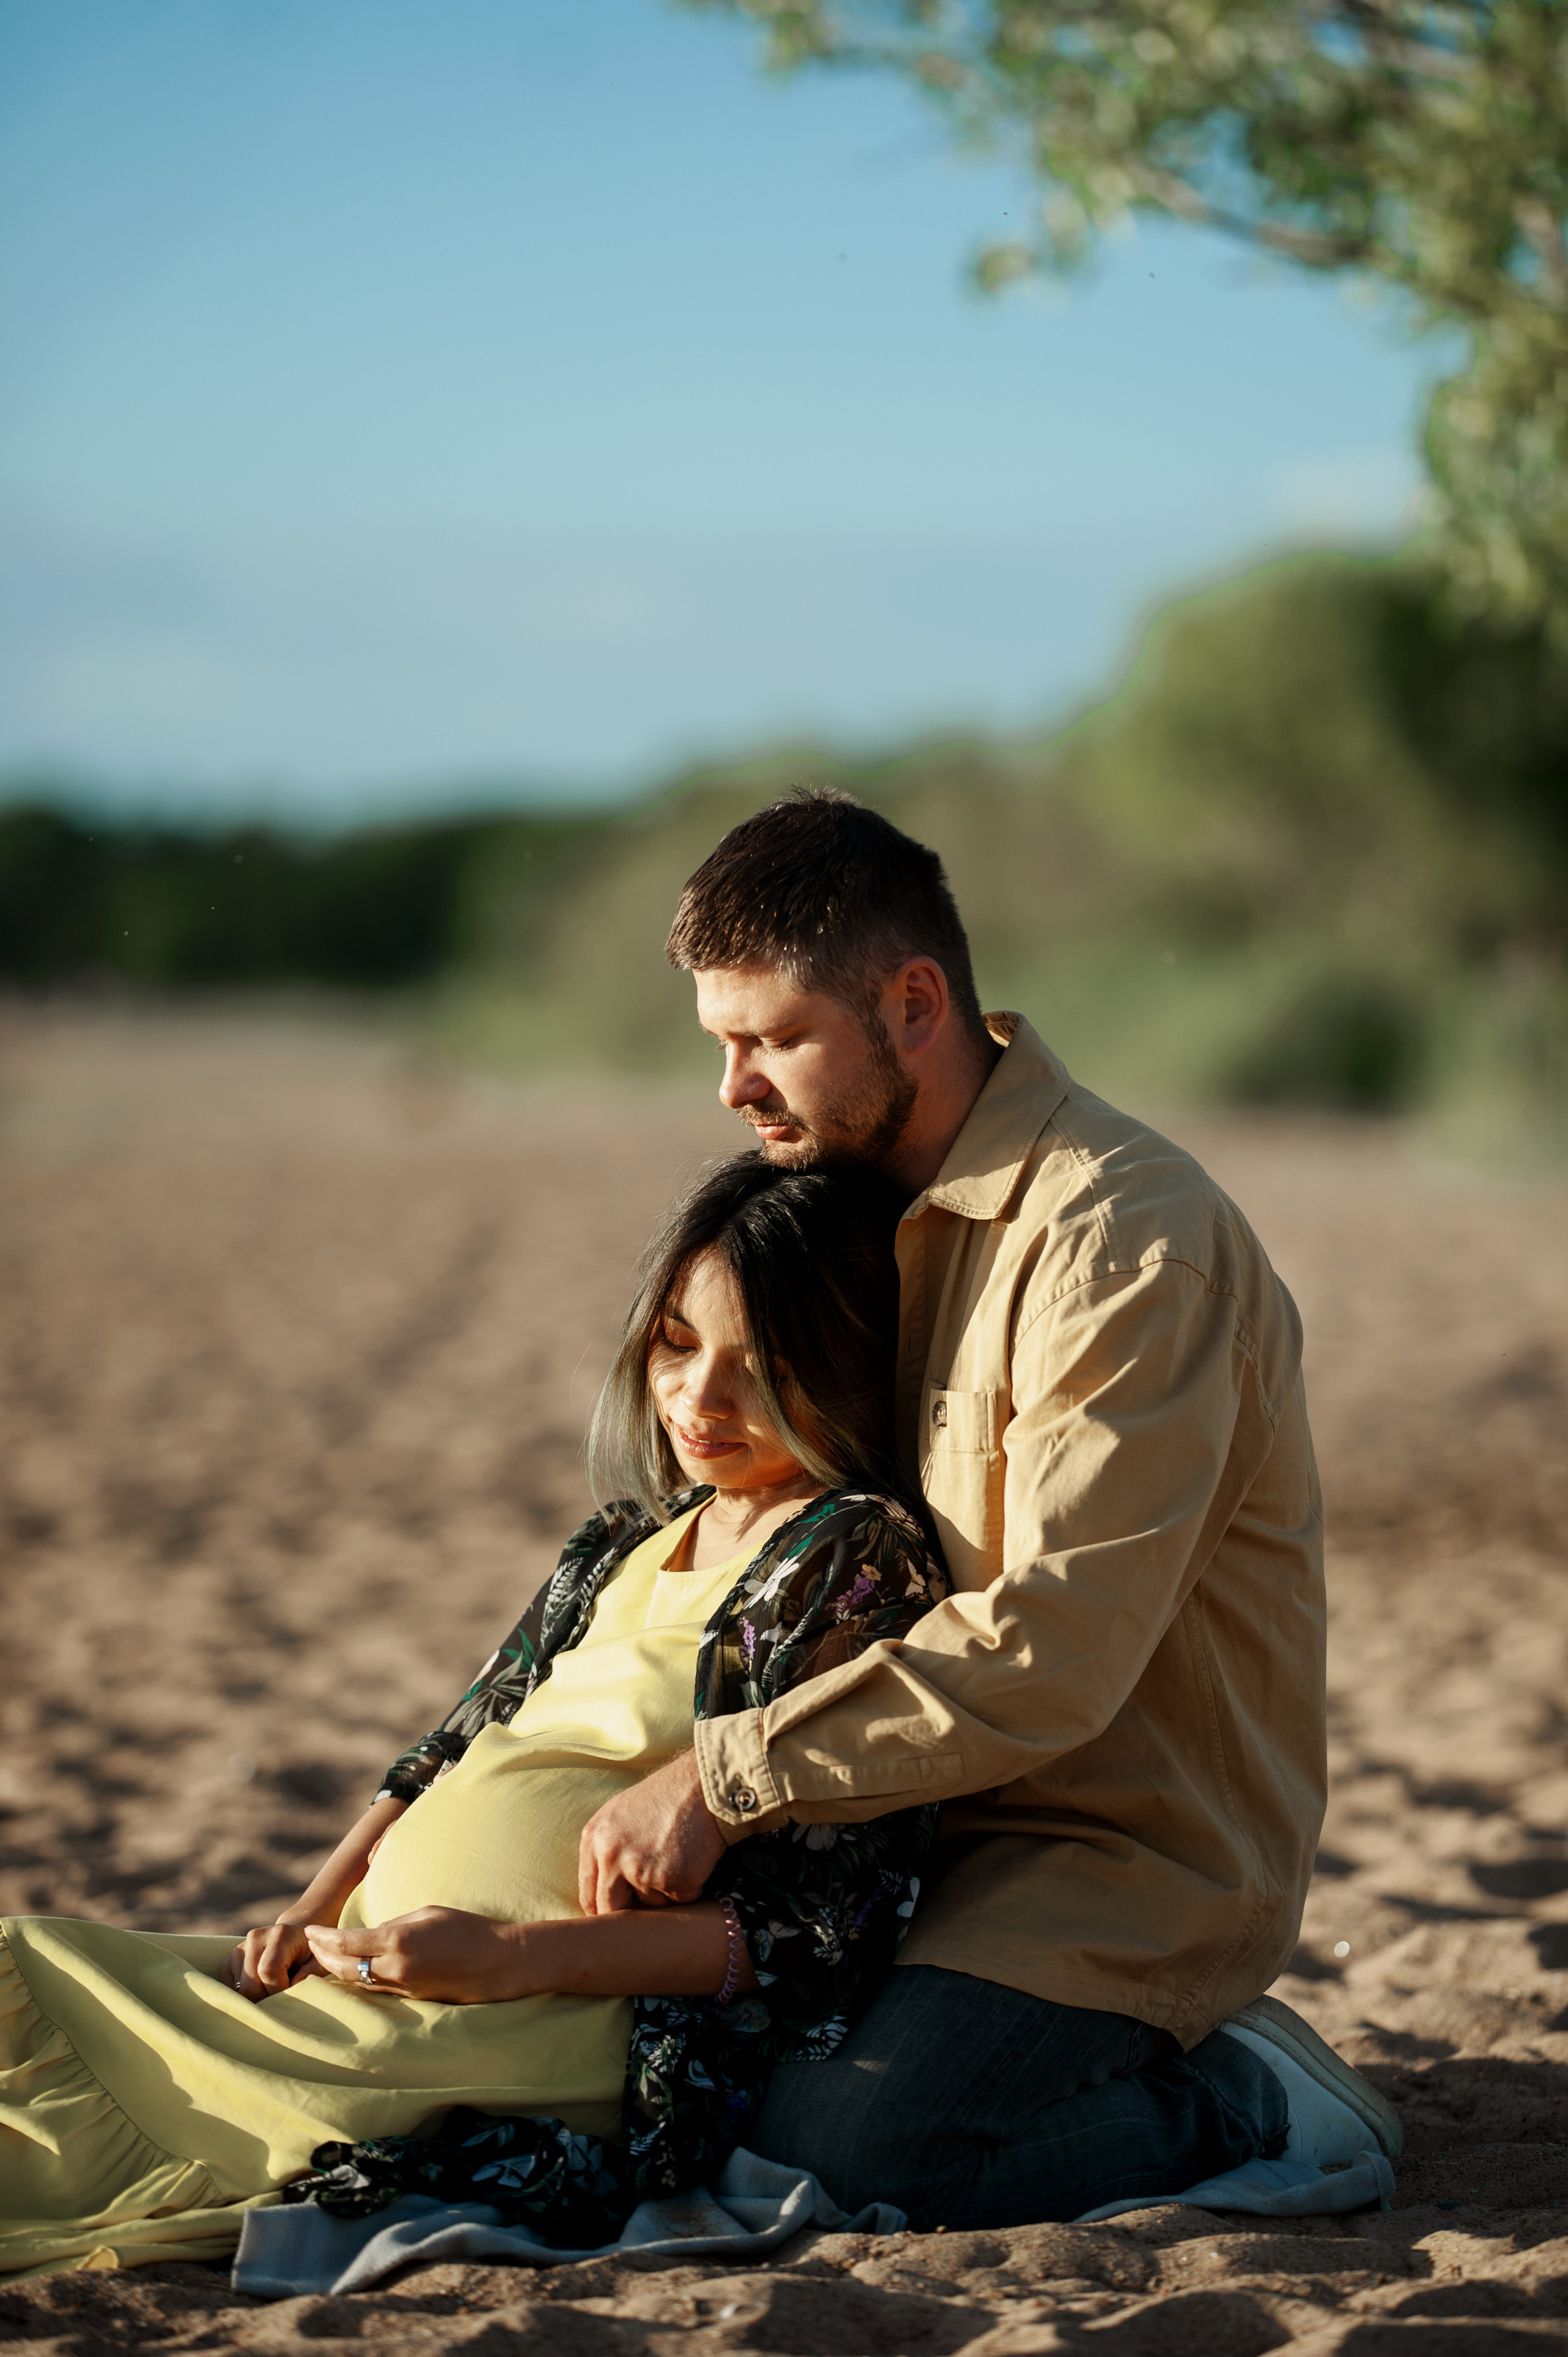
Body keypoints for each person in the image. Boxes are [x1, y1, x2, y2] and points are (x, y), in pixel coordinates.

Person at [576, 788, 1403, 2228]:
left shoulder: (1120, 1239)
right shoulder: (835, 1209)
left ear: (913, 1004)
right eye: (719, 1042)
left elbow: (1057, 1644)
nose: (732, 1087)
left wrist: (720, 1780)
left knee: (854, 2147)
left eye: (771, 1039)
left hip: (1110, 1855)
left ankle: (1242, 2093)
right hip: (881, 1825)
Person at [0, 1157, 946, 2278]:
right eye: (678, 1345)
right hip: (375, 1965)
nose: (700, 1399)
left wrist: (505, 1957)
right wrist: (306, 1912)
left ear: (850, 1368)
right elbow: (448, 1749)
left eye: (767, 1369)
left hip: (540, 2023)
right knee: (28, 1960)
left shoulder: (853, 1557)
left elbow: (816, 1938)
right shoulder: (622, 1541)